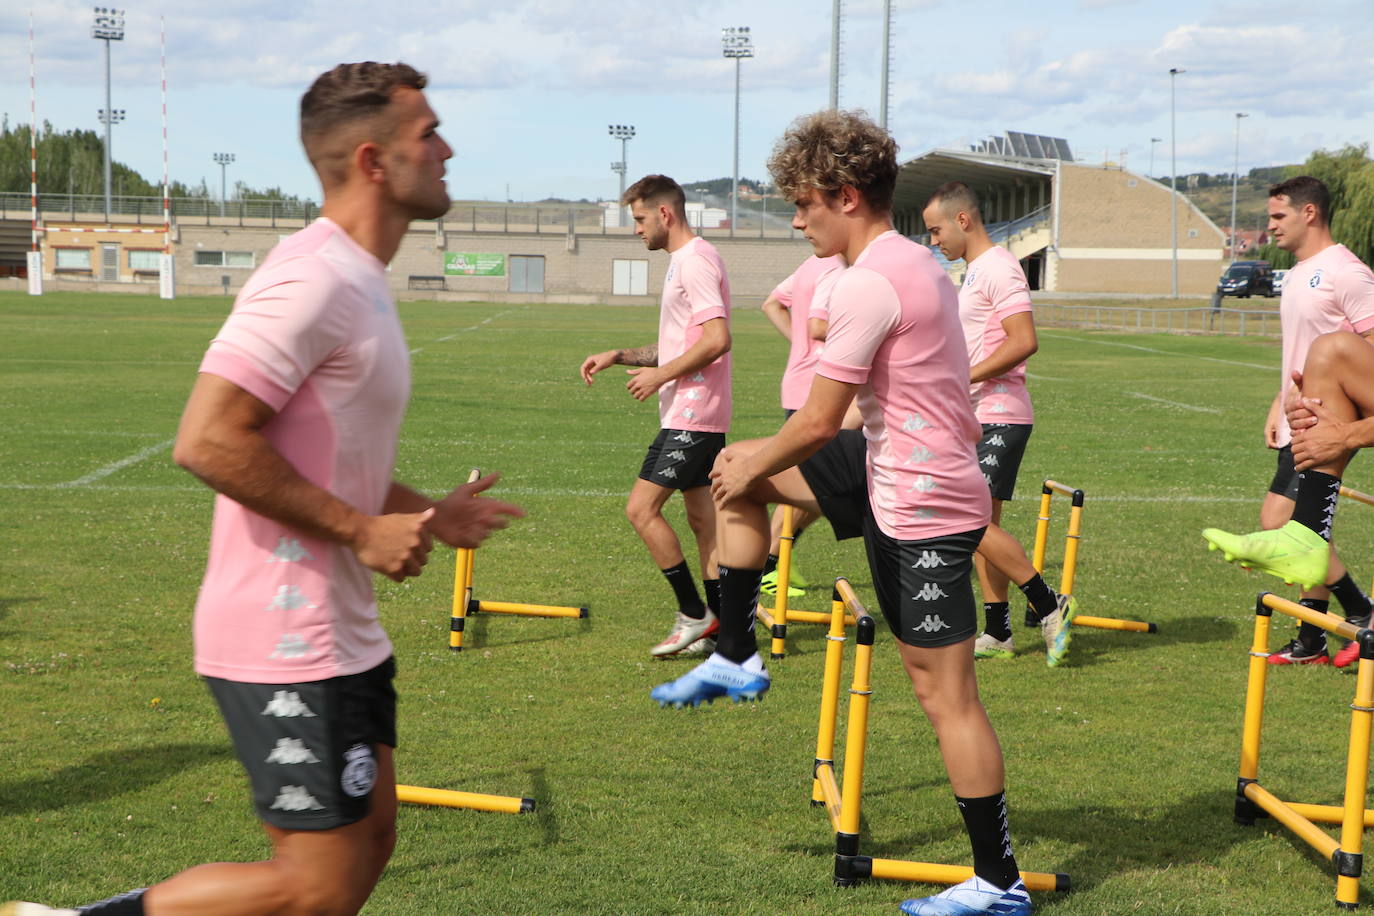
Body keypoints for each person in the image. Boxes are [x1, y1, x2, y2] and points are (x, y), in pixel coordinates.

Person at [2, 62, 524, 916]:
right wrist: (361, 532)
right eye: (427, 133)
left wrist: (427, 512)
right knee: (311, 889)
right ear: (371, 161)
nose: (448, 148)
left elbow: (332, 455)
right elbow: (206, 439)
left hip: (342, 628)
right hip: (282, 633)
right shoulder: (310, 277)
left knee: (369, 846)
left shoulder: (361, 283)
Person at [653, 109, 1032, 916]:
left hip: (924, 500)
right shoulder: (907, 262)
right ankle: (737, 652)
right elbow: (859, 413)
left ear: (847, 196)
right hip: (890, 469)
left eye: (804, 204)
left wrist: (759, 454)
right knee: (734, 469)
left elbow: (822, 420)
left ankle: (999, 883)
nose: (795, 220)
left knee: (946, 696)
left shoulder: (869, 281)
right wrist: (749, 459)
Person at [1204, 176, 1374, 667]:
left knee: (1284, 521)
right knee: (1285, 522)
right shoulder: (1299, 272)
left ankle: (1356, 612)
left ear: (1310, 213)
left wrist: (1347, 425)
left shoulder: (1345, 272)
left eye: (1278, 216)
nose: (1270, 226)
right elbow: (1302, 351)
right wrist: (1279, 402)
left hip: (1332, 416)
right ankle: (1313, 637)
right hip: (1298, 412)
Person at [579, 174, 733, 659]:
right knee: (703, 523)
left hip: (694, 413)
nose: (637, 229)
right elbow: (681, 342)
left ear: (665, 214)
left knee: (641, 509)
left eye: (641, 219)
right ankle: (724, 630)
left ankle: (694, 614)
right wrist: (620, 355)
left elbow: (716, 339)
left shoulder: (696, 261)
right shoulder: (680, 263)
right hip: (691, 413)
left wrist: (661, 375)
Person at [921, 181, 1072, 665]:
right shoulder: (973, 272)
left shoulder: (999, 267)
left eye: (936, 229)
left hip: (1001, 413)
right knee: (982, 524)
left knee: (971, 522)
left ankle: (1050, 604)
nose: (933, 241)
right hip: (974, 414)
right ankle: (999, 632)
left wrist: (961, 377)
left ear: (963, 220)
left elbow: (1023, 340)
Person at [757, 254, 845, 598]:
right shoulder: (836, 269)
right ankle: (770, 565)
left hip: (802, 385)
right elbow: (818, 326)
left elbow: (771, 304)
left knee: (815, 483)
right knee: (820, 485)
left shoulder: (811, 264)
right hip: (817, 389)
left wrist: (800, 347)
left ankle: (776, 561)